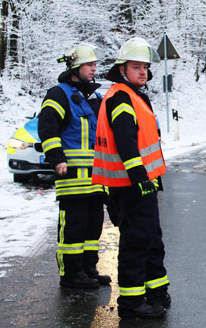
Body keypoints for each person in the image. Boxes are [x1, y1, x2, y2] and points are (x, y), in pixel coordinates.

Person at [92, 37, 170, 319]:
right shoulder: (121, 98)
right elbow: (127, 144)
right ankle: (132, 303)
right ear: (122, 69)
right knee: (136, 243)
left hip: (139, 184)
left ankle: (156, 291)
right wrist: (140, 178)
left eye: (145, 68)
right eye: (136, 67)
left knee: (151, 239)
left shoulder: (132, 95)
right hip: (131, 186)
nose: (143, 72)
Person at [38, 42, 111, 289]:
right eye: (89, 65)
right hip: (72, 177)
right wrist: (57, 159)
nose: (93, 69)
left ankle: (88, 268)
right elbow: (47, 129)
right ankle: (70, 274)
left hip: (96, 178)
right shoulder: (58, 94)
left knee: (93, 227)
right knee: (73, 228)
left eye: (94, 65)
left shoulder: (95, 98)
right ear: (75, 68)